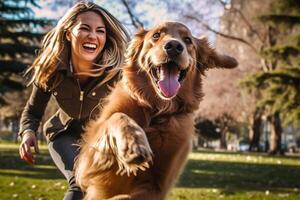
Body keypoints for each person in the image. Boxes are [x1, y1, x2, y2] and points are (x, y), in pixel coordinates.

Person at [18, 2, 129, 199]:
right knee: (80, 184)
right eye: (84, 28)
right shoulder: (51, 70)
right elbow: (33, 111)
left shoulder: (116, 74)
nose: (93, 36)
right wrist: (28, 132)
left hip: (101, 140)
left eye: (100, 31)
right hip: (64, 134)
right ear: (69, 33)